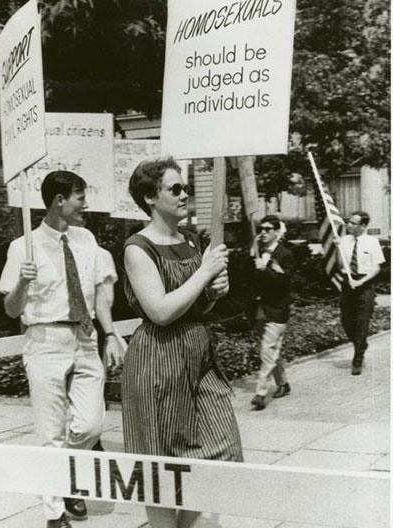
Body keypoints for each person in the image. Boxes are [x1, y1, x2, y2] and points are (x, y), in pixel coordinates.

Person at [122, 157, 243, 528]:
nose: (184, 193)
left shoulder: (190, 240)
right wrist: (204, 273)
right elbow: (159, 310)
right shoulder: (137, 248)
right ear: (149, 198)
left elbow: (196, 301)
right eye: (174, 188)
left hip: (198, 355)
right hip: (158, 360)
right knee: (160, 469)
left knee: (220, 450)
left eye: (185, 186)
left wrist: (216, 291)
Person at [0, 171, 122, 528]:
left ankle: (66, 475)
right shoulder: (23, 247)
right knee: (50, 433)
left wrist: (110, 334)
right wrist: (23, 279)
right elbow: (11, 309)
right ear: (59, 201)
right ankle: (54, 514)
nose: (86, 204)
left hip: (84, 339)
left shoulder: (86, 240)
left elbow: (99, 293)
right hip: (45, 340)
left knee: (90, 426)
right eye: (80, 197)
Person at [250, 214, 296, 410]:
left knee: (267, 350)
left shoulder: (286, 255)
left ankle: (260, 393)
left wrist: (265, 270)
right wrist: (252, 254)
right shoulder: (257, 252)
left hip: (277, 310)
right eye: (262, 229)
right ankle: (283, 384)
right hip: (259, 309)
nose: (263, 232)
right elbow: (245, 277)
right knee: (272, 351)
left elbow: (284, 284)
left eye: (268, 229)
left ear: (277, 232)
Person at [338, 210, 385, 375]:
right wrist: (335, 247)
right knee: (346, 320)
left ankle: (357, 359)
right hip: (347, 283)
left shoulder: (372, 242)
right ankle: (360, 343)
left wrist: (361, 281)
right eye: (348, 222)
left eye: (353, 223)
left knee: (362, 322)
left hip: (365, 284)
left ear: (363, 226)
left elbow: (377, 267)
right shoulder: (344, 240)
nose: (349, 225)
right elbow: (340, 263)